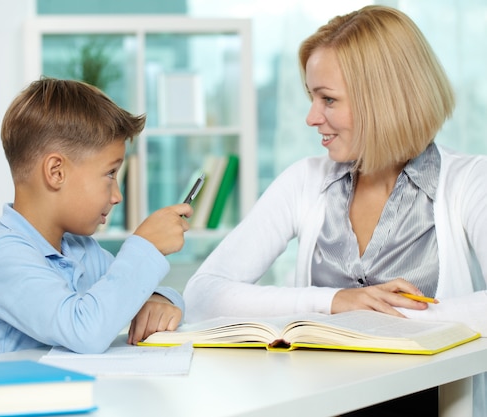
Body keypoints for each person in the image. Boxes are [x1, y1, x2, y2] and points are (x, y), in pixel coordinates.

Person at [183, 5, 487, 417]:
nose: (312, 118)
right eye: (312, 97)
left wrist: (379, 317)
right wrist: (336, 302)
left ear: (383, 99)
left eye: (328, 99)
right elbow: (202, 294)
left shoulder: (470, 181)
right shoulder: (303, 181)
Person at [0, 78, 193, 359]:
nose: (117, 195)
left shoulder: (80, 250)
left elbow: (133, 287)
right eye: (110, 174)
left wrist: (160, 300)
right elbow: (86, 331)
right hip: (6, 402)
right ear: (56, 172)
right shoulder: (0, 257)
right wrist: (146, 246)